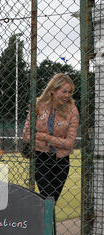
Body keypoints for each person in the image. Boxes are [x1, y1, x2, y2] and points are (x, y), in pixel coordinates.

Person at [22, 73, 79, 202]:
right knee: (48, 198)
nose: (67, 95)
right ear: (53, 90)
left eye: (70, 92)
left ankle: (44, 222)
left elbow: (69, 143)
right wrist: (58, 141)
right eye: (64, 91)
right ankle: (45, 221)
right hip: (40, 157)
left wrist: (43, 137)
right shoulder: (38, 106)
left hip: (62, 160)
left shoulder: (72, 110)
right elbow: (26, 136)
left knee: (51, 200)